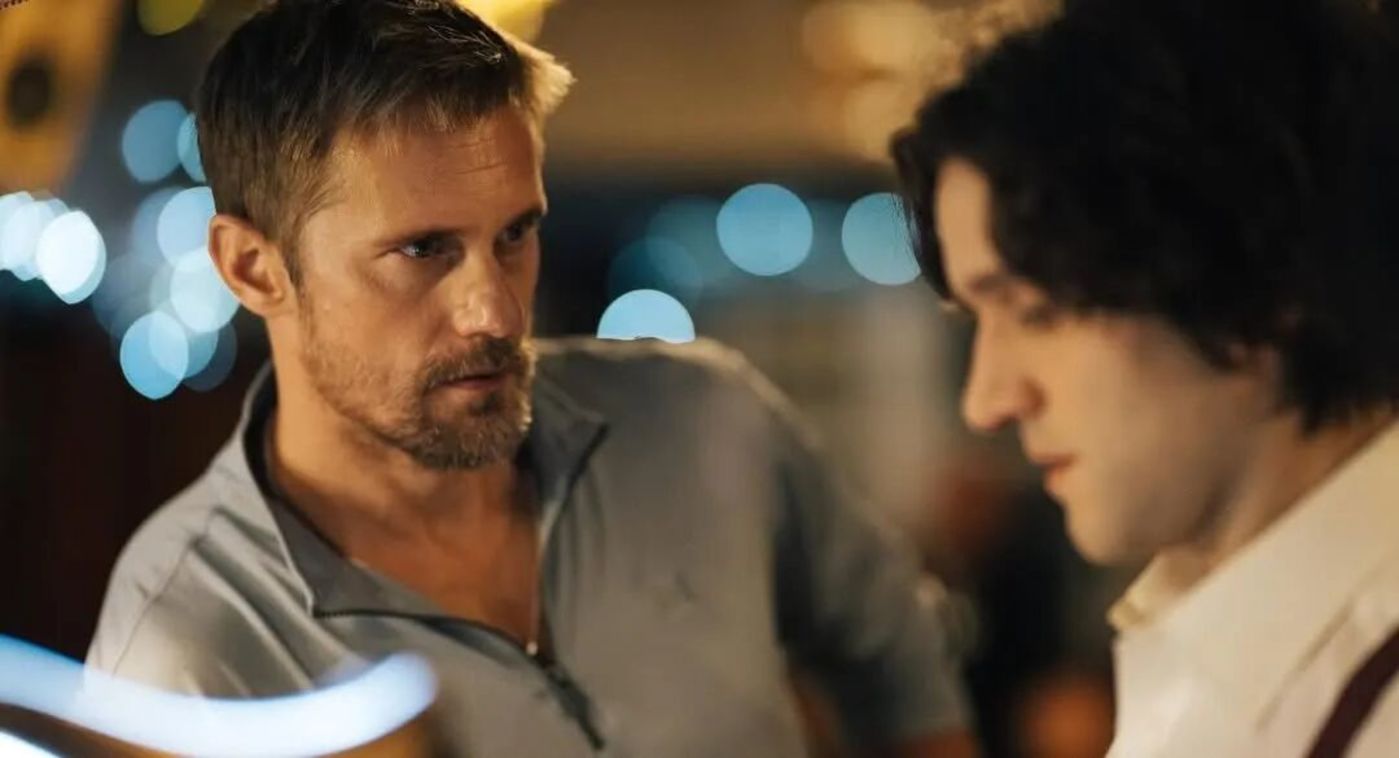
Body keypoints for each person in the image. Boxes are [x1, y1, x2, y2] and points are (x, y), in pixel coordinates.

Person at [87, 2, 975, 756]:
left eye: (514, 234)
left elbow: (899, 659)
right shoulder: (184, 651)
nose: (496, 312)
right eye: (422, 249)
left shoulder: (705, 420)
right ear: (253, 269)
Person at [891, 0, 1399, 754]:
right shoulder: (1214, 657)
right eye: (977, 320)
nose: (987, 402)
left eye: (1037, 312)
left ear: (1252, 286)